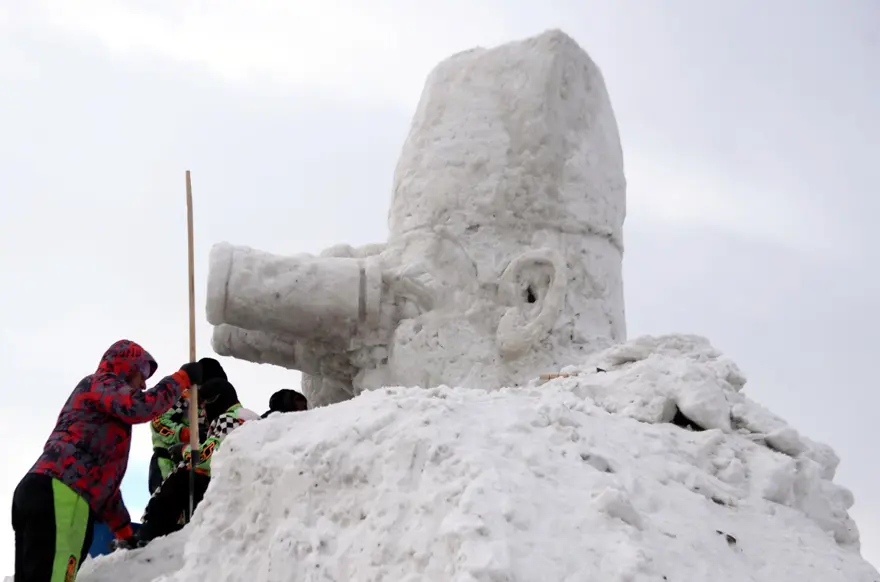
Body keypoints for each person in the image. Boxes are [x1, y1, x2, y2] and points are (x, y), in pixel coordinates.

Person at [11, 339, 202, 582]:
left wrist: (124, 531)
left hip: (43, 490)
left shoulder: (100, 411)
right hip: (63, 495)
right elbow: (139, 407)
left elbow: (104, 485)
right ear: (125, 365)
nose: (144, 383)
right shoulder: (101, 383)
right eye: (142, 372)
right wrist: (182, 379)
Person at [133, 378, 259, 545]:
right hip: (240, 479)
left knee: (180, 479)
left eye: (204, 406)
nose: (203, 413)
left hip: (228, 481)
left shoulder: (231, 418)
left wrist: (185, 451)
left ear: (215, 400)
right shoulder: (249, 416)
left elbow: (211, 455)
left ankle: (151, 536)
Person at [148, 358, 228, 493]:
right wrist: (187, 434)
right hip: (166, 462)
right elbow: (158, 421)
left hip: (192, 465)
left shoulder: (213, 405)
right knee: (168, 506)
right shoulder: (183, 395)